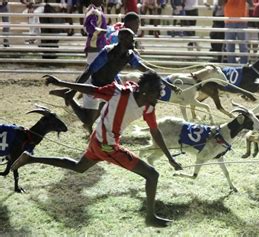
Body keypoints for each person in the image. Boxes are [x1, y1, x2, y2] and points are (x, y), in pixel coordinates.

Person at [12, 70, 183, 227]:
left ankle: (30, 158)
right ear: (145, 91)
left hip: (99, 140)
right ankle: (150, 217)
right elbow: (91, 89)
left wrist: (170, 158)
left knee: (79, 167)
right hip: (106, 145)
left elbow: (155, 131)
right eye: (156, 93)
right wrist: (62, 82)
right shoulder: (119, 93)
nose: (159, 97)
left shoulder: (148, 106)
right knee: (152, 175)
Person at [50, 29, 180, 134]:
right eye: (131, 38)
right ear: (122, 39)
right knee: (88, 120)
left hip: (110, 85)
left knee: (112, 107)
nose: (134, 41)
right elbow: (88, 72)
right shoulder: (107, 52)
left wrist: (169, 85)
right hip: (92, 83)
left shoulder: (130, 54)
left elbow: (147, 70)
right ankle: (69, 97)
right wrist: (73, 92)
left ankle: (99, 128)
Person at [224, 0, 254, 64]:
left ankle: (243, 66)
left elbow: (251, 4)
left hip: (241, 22)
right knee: (229, 46)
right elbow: (220, 3)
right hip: (229, 21)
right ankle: (232, 65)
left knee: (243, 46)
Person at [84, 0, 108, 65]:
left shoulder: (97, 10)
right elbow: (89, 28)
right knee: (92, 69)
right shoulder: (92, 12)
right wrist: (103, 31)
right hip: (94, 44)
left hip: (99, 43)